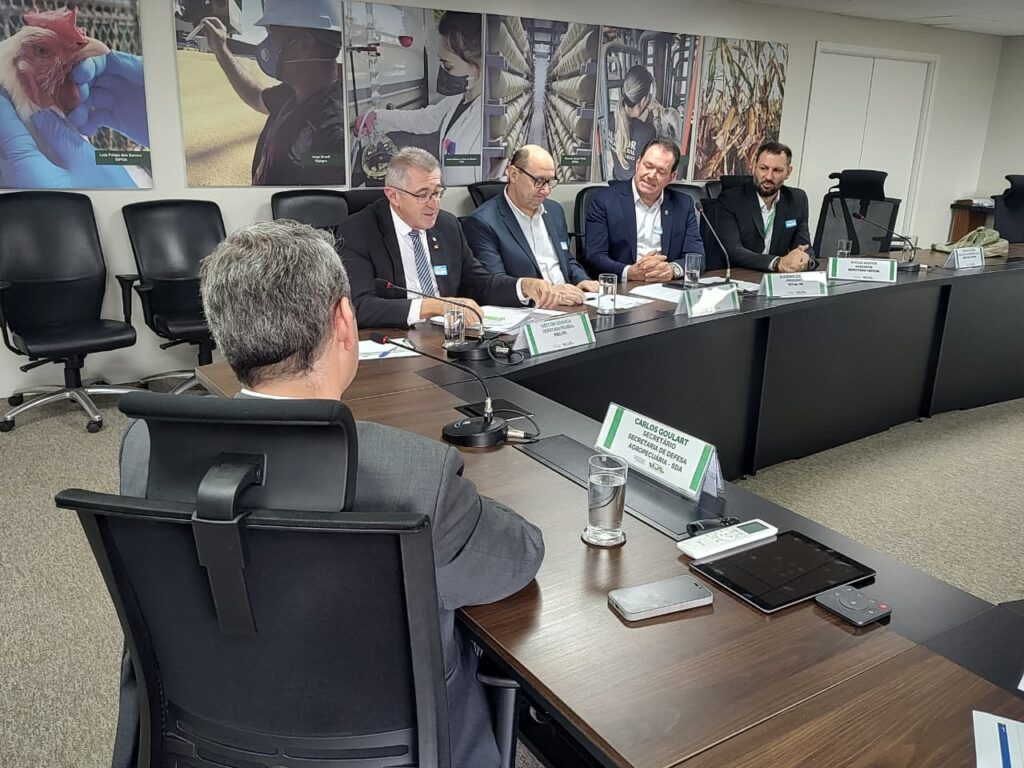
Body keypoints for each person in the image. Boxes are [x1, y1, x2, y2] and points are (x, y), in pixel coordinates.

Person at [116, 220, 544, 768]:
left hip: (202, 738)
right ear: (344, 321)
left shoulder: (145, 449)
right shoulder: (417, 475)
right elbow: (517, 557)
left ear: (222, 331)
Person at [340, 147, 560, 329]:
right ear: (393, 195)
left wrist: (523, 286)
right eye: (423, 195)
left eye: (437, 192)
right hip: (395, 340)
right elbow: (360, 306)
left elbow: (478, 283)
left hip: (450, 336)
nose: (434, 204)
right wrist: (432, 306)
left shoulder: (447, 225)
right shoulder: (358, 230)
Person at [199, 0, 346, 186]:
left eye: (273, 36)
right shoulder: (293, 92)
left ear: (304, 45)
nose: (269, 45)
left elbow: (317, 196)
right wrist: (220, 49)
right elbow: (256, 96)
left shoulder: (332, 132)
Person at [353, 11, 482, 186]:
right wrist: (378, 117)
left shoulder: (485, 121)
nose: (442, 72)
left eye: (448, 66)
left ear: (478, 65)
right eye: (440, 62)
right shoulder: (459, 100)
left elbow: (467, 169)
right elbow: (425, 120)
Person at [463, 145, 600, 303]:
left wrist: (582, 280)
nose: (546, 190)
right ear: (513, 174)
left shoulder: (554, 210)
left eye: (550, 181)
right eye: (539, 181)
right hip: (531, 308)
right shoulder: (483, 222)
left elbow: (566, 259)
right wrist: (549, 294)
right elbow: (492, 285)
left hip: (572, 302)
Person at [585, 138, 704, 283]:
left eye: (661, 171)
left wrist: (672, 270)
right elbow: (595, 256)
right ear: (637, 164)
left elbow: (697, 257)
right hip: (623, 285)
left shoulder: (683, 204)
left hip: (666, 285)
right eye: (648, 166)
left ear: (671, 177)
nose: (651, 175)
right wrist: (630, 272)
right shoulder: (605, 200)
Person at [716, 140, 816, 272]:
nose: (768, 176)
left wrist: (805, 261)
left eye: (777, 170)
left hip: (777, 278)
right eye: (763, 168)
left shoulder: (797, 199)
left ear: (788, 172)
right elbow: (733, 251)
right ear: (754, 166)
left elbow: (803, 246)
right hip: (740, 274)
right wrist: (776, 263)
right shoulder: (731, 200)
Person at [610, 65, 681, 181]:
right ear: (644, 99)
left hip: (616, 180)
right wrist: (656, 120)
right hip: (635, 187)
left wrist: (647, 109)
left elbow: (634, 125)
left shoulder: (611, 119)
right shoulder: (647, 132)